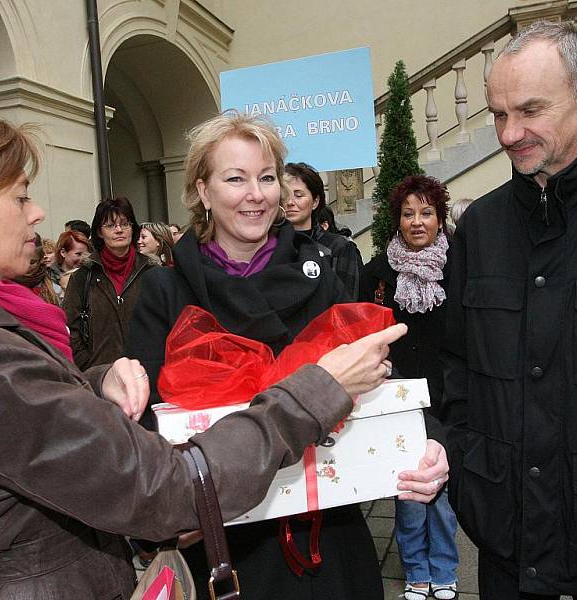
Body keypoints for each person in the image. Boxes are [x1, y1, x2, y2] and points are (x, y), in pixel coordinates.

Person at [0, 95, 410, 600]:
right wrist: (316, 391)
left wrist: (90, 385)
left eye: (267, 178)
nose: (37, 211)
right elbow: (160, 485)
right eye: (19, 197)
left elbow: (18, 422)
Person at [127, 112, 450, 600]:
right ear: (202, 190)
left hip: (330, 536)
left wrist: (431, 442)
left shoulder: (318, 273)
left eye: (266, 177)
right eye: (235, 178)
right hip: (223, 549)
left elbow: (382, 374)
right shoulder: (165, 292)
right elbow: (144, 427)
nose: (255, 194)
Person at [442, 20, 577, 598]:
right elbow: (459, 372)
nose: (508, 133)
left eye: (529, 110)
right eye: (498, 113)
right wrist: (465, 469)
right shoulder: (479, 227)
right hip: (509, 555)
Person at [359, 175, 459, 600]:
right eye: (408, 213)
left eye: (426, 213)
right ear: (397, 220)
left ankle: (446, 571)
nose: (417, 221)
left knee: (445, 493)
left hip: (447, 394)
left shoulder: (456, 267)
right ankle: (417, 573)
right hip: (398, 396)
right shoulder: (378, 272)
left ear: (439, 219)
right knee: (408, 493)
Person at [63, 197, 155, 370]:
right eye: (111, 225)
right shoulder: (83, 277)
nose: (119, 230)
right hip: (100, 375)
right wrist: (89, 365)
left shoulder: (152, 272)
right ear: (99, 232)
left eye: (125, 224)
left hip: (147, 373)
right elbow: (70, 329)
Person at [284, 162, 363, 299]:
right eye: (284, 195)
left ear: (315, 202)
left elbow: (349, 304)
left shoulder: (338, 246)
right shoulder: (270, 244)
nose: (290, 202)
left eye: (298, 195)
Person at [14, 233, 60, 305]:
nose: (25, 265)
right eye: (21, 260)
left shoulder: (55, 290)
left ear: (41, 260)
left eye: (32, 262)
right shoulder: (4, 284)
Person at [50, 230, 92, 301]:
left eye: (86, 254)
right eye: (78, 254)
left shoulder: (90, 274)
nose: (83, 259)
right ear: (63, 252)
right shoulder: (49, 279)